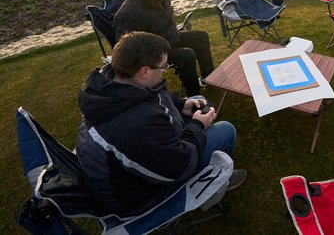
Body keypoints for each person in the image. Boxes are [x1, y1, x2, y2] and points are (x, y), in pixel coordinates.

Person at [76, 31, 246, 217]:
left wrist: (181, 104)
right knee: (225, 131)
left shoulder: (116, 82)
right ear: (144, 71)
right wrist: (197, 126)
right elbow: (180, 166)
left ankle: (210, 163)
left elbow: (153, 95)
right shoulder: (137, 122)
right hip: (140, 197)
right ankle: (219, 182)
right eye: (163, 66)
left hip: (144, 162)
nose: (165, 70)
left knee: (198, 100)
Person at [114, 0, 214, 96]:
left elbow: (168, 22)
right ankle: (194, 96)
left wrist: (174, 34)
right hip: (153, 53)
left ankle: (208, 79)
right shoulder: (129, 12)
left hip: (170, 39)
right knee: (186, 55)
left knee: (201, 36)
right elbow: (127, 49)